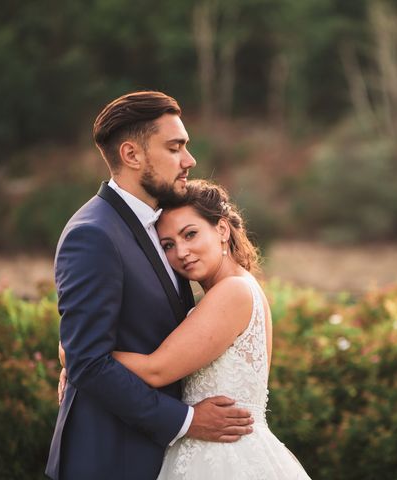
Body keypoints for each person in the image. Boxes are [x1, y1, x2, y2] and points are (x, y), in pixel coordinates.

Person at [46, 91, 253, 480]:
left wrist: (76, 356)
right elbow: (89, 362)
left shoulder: (162, 230)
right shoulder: (94, 235)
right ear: (132, 155)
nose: (189, 161)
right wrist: (187, 421)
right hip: (108, 459)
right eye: (175, 148)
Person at [112, 179, 311, 479]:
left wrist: (83, 355)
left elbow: (157, 370)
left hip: (225, 457)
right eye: (168, 245)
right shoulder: (237, 288)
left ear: (221, 230)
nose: (181, 252)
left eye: (190, 234)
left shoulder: (233, 291)